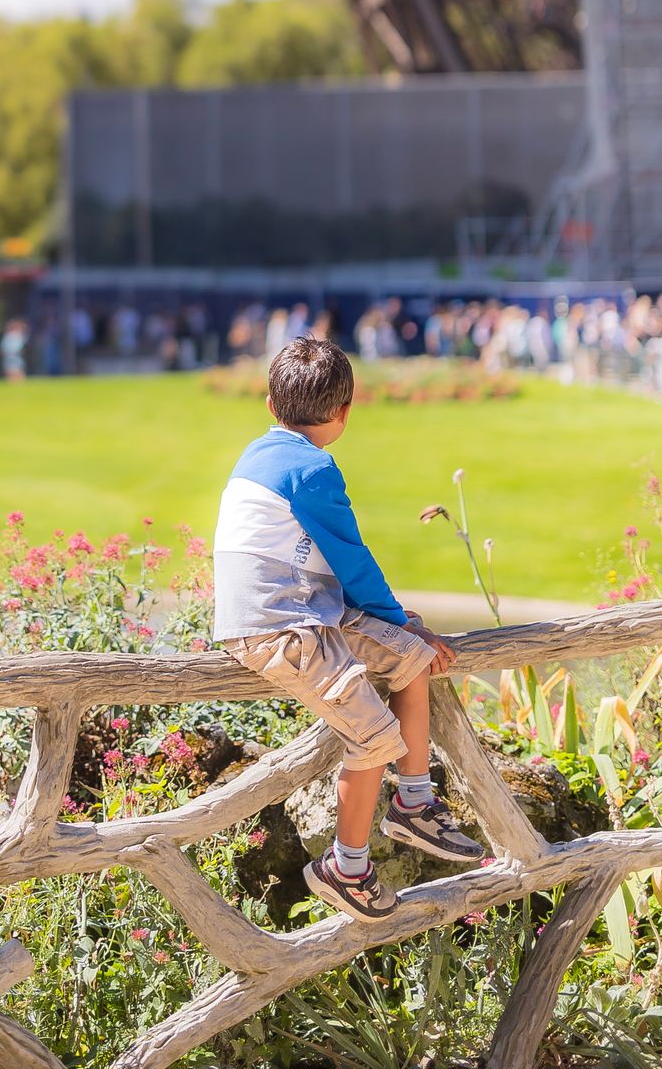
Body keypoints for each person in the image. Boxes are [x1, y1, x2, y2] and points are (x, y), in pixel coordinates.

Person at [211, 337, 483, 921]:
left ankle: (414, 804)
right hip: (279, 628)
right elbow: (352, 561)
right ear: (345, 412)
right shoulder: (312, 469)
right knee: (375, 738)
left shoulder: (261, 454)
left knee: (409, 658)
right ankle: (347, 866)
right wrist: (399, 616)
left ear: (270, 404)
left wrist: (403, 631)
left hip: (306, 611)